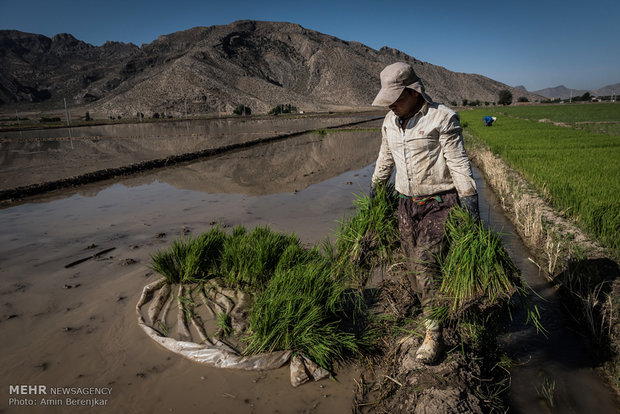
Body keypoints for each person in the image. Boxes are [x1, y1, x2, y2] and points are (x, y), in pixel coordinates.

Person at [370, 62, 480, 364]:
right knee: (412, 268)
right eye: (389, 100)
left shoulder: (442, 118)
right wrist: (376, 193)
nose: (392, 105)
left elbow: (459, 164)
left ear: (414, 91)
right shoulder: (390, 122)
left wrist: (471, 208)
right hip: (405, 205)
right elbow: (385, 159)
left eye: (397, 98)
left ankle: (433, 336)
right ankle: (437, 309)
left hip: (440, 204)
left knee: (424, 265)